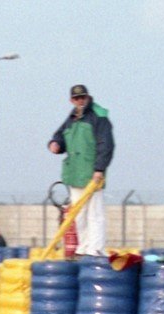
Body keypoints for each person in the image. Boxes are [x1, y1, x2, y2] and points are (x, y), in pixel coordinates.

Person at [48, 84, 114, 257]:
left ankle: (96, 248)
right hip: (75, 173)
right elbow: (59, 136)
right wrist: (55, 144)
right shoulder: (71, 118)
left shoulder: (98, 117)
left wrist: (99, 169)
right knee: (79, 213)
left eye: (82, 98)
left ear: (87, 97)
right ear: (72, 100)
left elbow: (106, 145)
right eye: (76, 99)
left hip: (92, 174)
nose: (80, 101)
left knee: (95, 213)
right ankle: (83, 247)